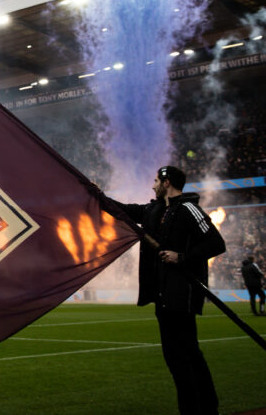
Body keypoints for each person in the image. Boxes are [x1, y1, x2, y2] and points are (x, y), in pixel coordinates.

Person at [106, 165, 226, 415]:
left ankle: (199, 408)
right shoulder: (154, 210)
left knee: (185, 356)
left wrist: (182, 257)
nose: (152, 185)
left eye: (155, 181)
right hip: (163, 294)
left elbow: (216, 243)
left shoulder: (189, 209)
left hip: (182, 294)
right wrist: (95, 195)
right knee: (178, 356)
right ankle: (202, 407)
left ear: (166, 182)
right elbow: (124, 211)